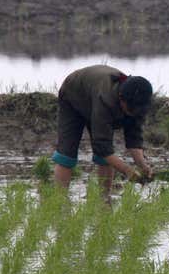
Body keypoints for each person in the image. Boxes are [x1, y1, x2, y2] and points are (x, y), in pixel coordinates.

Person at [50, 64, 154, 193]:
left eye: (137, 110)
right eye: (131, 109)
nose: (133, 113)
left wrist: (143, 166)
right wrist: (127, 171)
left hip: (93, 93)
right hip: (74, 95)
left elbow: (134, 139)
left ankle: (104, 199)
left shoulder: (137, 103)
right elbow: (103, 147)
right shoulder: (106, 100)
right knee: (67, 155)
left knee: (104, 158)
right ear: (121, 98)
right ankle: (59, 201)